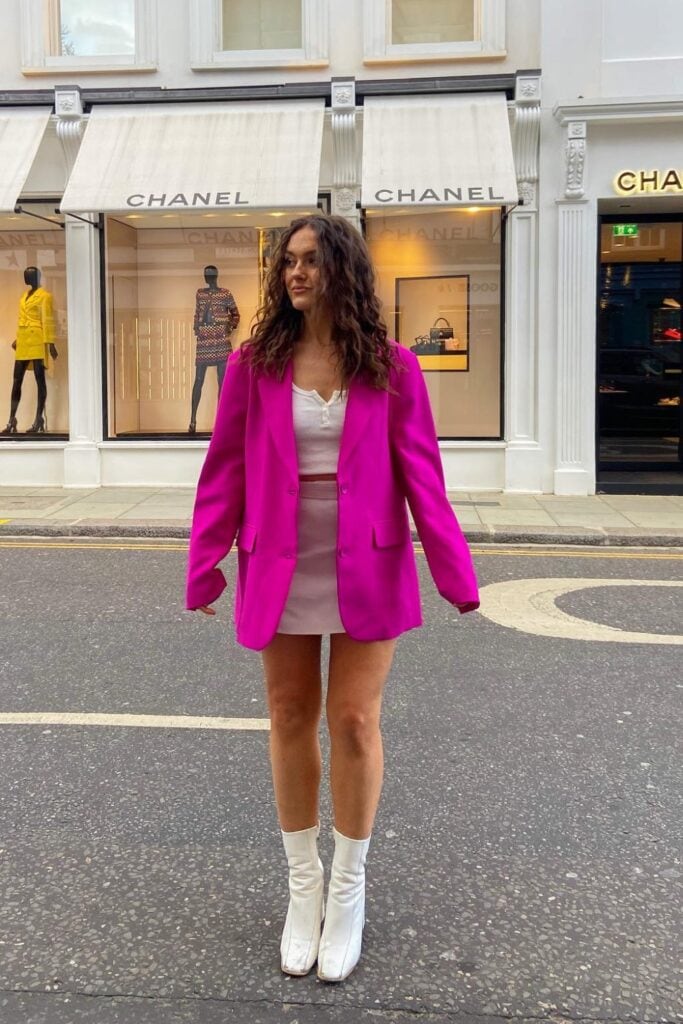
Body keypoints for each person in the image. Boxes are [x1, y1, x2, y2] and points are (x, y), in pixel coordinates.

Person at [186, 214, 479, 982]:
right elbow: (223, 472)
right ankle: (302, 886)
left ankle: (348, 888)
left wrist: (453, 573)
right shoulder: (255, 364)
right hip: (279, 560)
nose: (296, 274)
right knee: (288, 715)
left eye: (312, 260)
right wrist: (205, 563)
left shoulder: (392, 367)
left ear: (343, 268)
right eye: (287, 262)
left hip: (368, 564)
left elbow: (423, 476)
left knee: (352, 720)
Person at [1, 267, 57, 435]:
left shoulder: (45, 297)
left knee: (40, 381)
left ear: (37, 277)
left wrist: (50, 343)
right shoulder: (23, 297)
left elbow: (47, 320)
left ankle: (38, 418)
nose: (27, 277)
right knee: (16, 380)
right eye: (25, 275)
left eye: (30, 275)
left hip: (37, 341)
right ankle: (12, 419)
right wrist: (18, 339)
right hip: (24, 341)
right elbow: (23, 319)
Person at [188, 265, 240, 434]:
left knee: (222, 382)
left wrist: (229, 328)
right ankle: (192, 420)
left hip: (220, 341)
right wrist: (197, 329)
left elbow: (236, 314)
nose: (207, 278)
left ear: (216, 276)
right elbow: (197, 313)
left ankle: (220, 422)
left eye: (210, 275)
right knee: (199, 380)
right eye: (206, 275)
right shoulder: (200, 293)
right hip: (204, 341)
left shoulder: (225, 293)